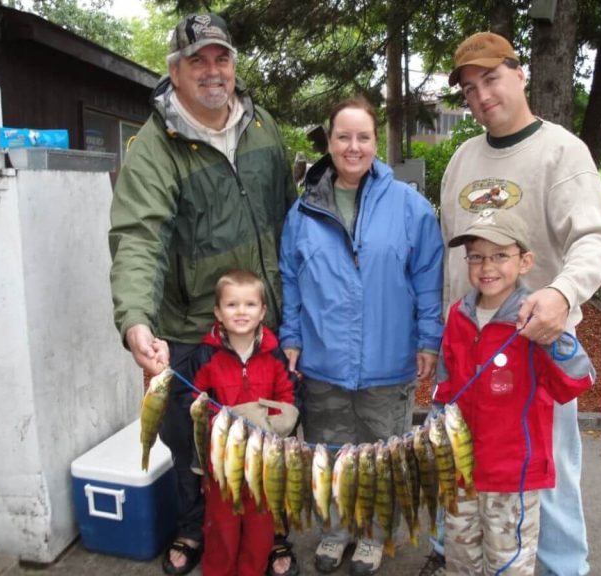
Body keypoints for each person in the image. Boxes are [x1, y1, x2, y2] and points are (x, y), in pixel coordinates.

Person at [108, 13, 297, 576]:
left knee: (273, 432)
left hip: (266, 322)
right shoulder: (153, 147)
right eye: (198, 61)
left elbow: (292, 221)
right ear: (176, 71)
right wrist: (136, 319)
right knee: (193, 445)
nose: (213, 71)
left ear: (234, 65)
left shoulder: (264, 126)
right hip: (193, 331)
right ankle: (196, 525)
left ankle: (271, 528)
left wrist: (298, 315)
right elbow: (138, 238)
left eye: (222, 59)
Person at [423, 32, 601, 576]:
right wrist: (444, 336)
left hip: (536, 353)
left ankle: (560, 569)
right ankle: (460, 555)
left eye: (491, 78)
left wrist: (561, 292)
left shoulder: (561, 151)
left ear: (520, 72)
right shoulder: (462, 160)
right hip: (470, 353)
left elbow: (597, 240)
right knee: (463, 466)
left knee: (545, 478)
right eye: (468, 88)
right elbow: (449, 257)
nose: (481, 95)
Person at [279, 96, 444, 576]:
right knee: (330, 454)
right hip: (323, 361)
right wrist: (291, 335)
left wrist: (428, 341)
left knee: (379, 457)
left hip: (387, 362)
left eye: (363, 137)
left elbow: (428, 280)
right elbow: (289, 278)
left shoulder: (410, 208)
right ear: (328, 143)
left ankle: (373, 536)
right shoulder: (303, 211)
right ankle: (336, 529)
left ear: (376, 142)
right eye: (343, 137)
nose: (354, 147)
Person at [434, 209, 595, 575]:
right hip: (461, 474)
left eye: (500, 255)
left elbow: (577, 381)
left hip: (513, 479)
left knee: (507, 565)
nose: (486, 266)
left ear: (525, 262)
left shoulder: (536, 320)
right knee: (460, 559)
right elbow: (446, 386)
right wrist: (435, 419)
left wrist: (556, 339)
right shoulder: (458, 314)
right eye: (476, 255)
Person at [172, 270, 300, 576]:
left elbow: (289, 400)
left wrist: (267, 421)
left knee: (259, 527)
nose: (241, 311)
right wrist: (224, 421)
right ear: (218, 311)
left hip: (265, 461)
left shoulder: (274, 356)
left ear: (263, 311)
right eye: (231, 305)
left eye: (250, 304)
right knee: (221, 528)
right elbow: (191, 400)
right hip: (221, 463)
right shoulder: (205, 356)